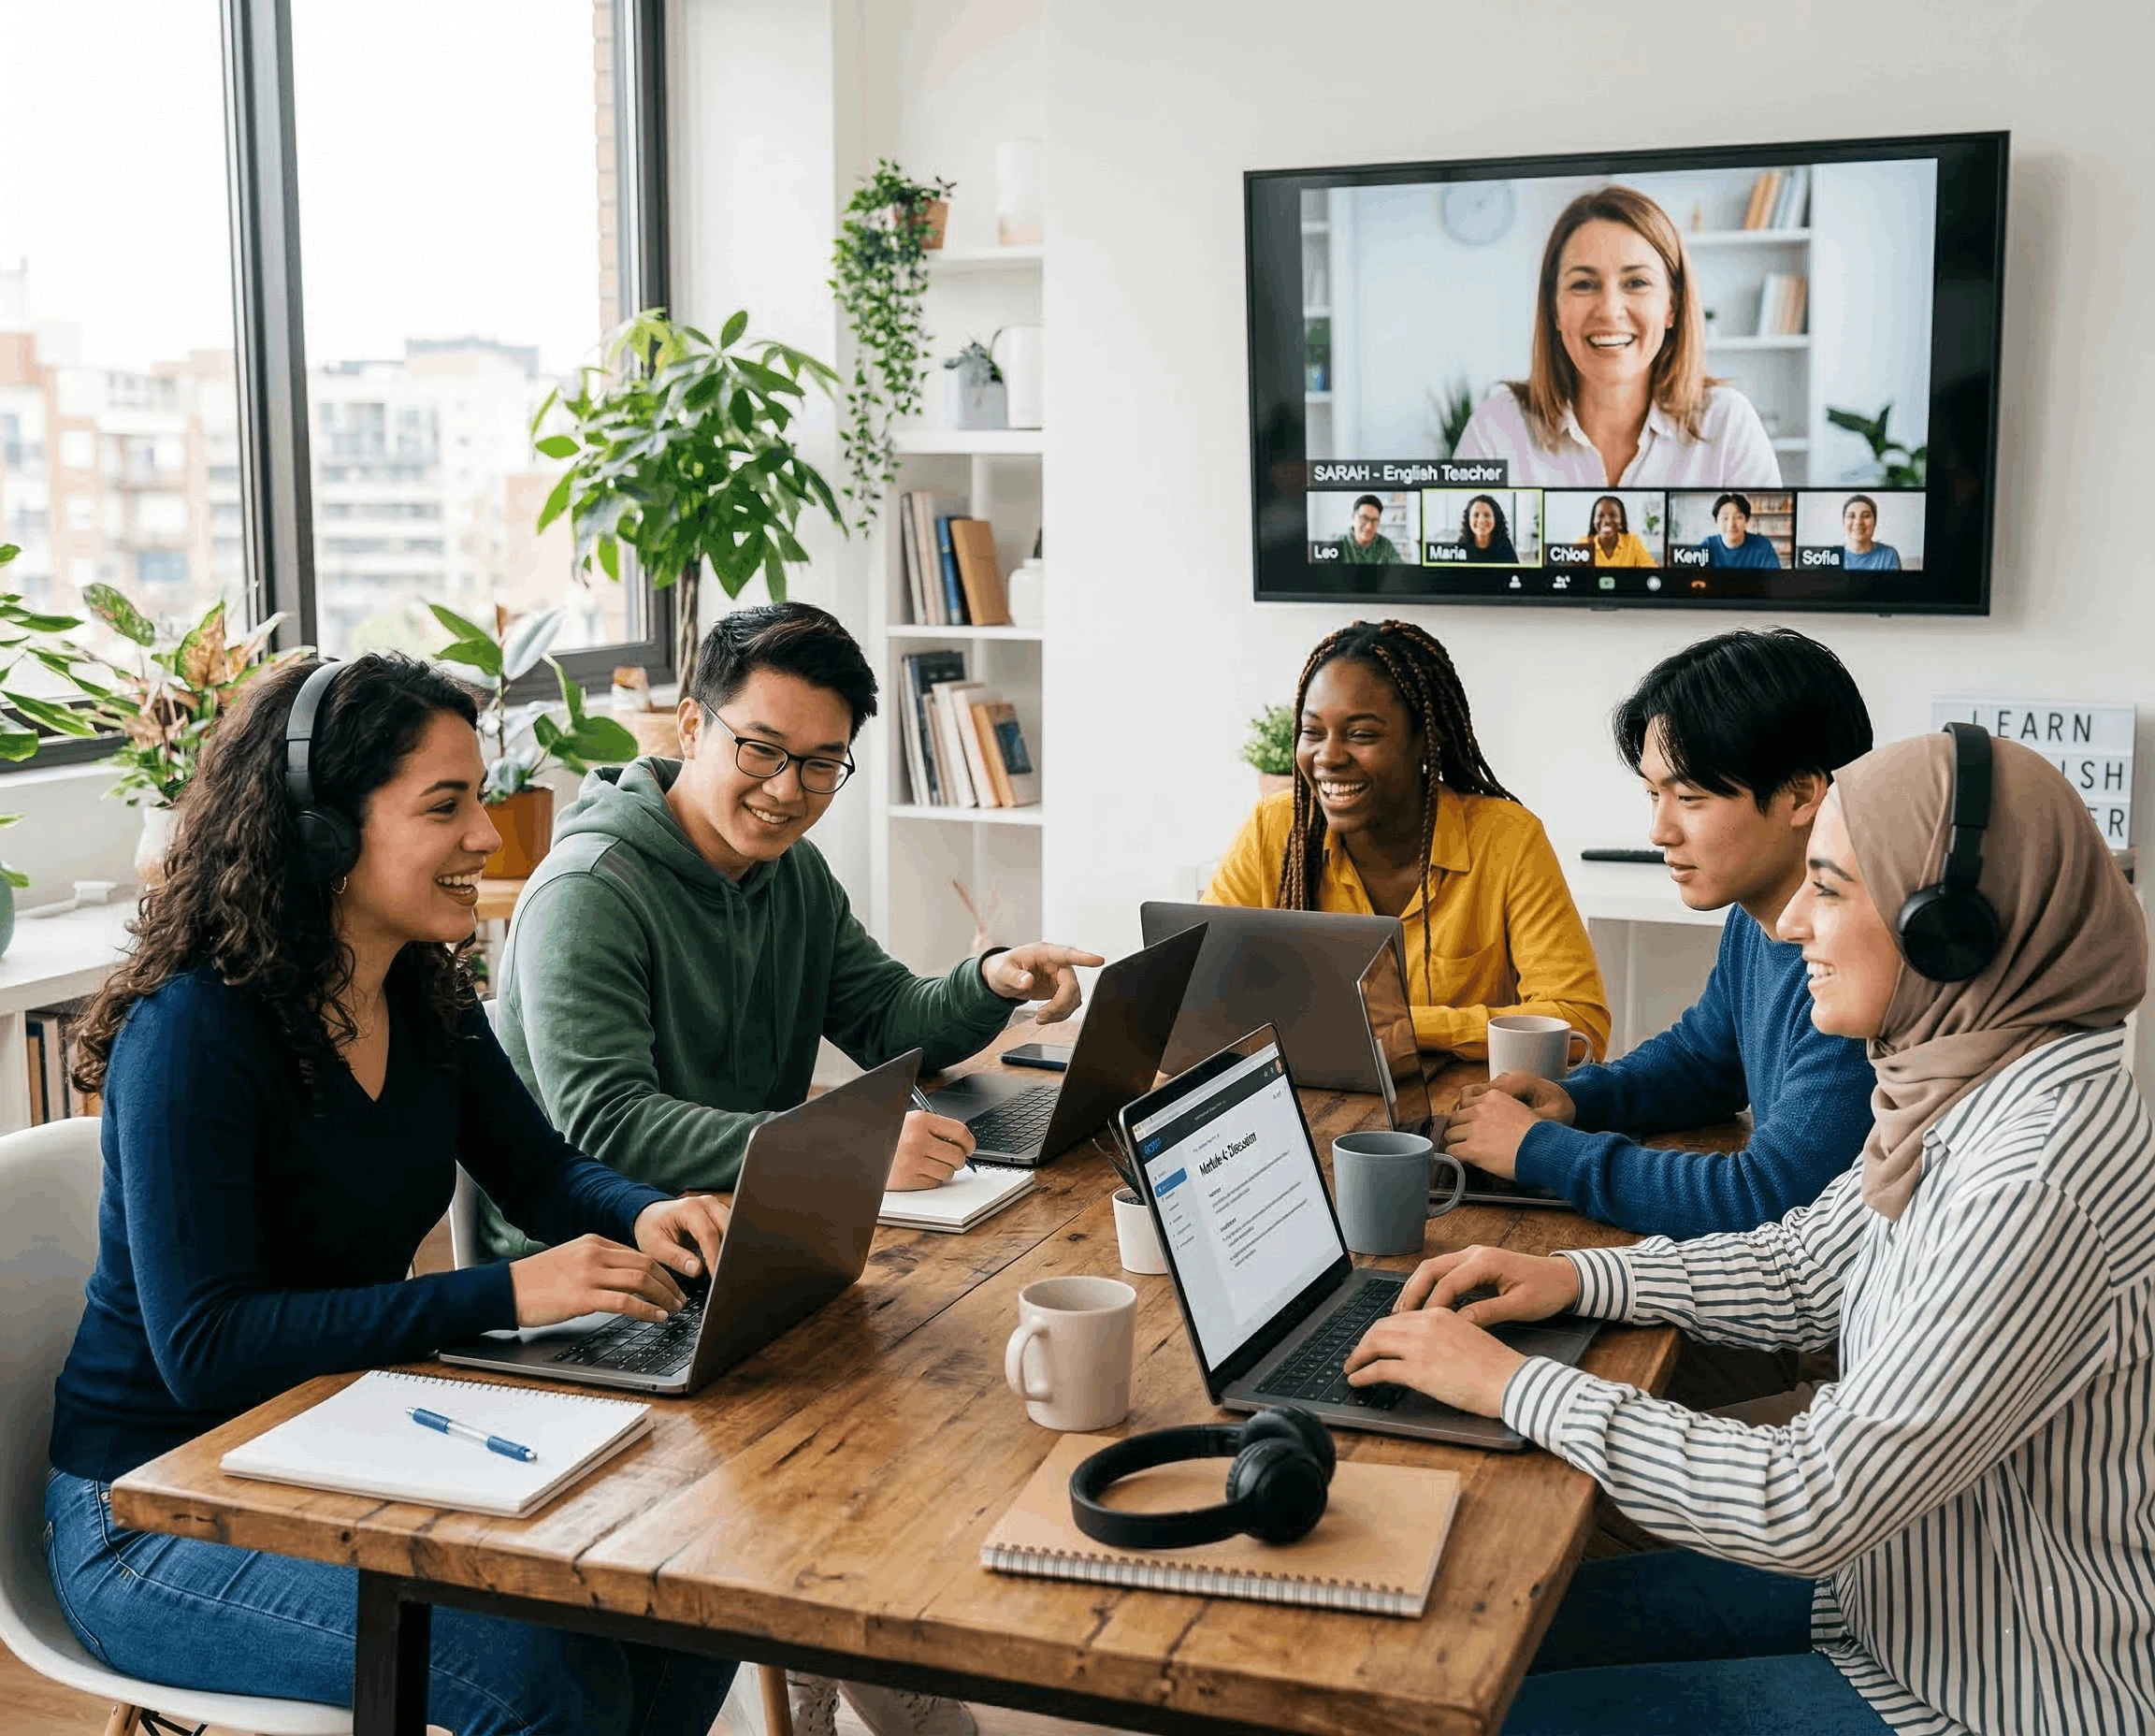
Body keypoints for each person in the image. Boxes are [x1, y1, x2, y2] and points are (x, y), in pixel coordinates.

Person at [1346, 731, 2154, 1734]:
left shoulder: (2034, 1171)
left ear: (1954, 930)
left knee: (1460, 1709)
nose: (1797, 924)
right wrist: (1573, 1278)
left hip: (1972, 1697)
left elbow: (1812, 1495)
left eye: (1834, 887)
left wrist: (1510, 1381)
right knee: (1450, 1651)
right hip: (1891, 1605)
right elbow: (1808, 1261)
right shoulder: (1967, 1074)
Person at [44, 656, 739, 1735]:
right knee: (544, 1679)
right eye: (445, 805)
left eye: (482, 795)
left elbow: (543, 1169)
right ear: (325, 831)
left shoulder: (422, 992)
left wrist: (640, 1211)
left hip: (338, 1443)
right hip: (152, 1509)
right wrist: (499, 1292)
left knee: (681, 1594)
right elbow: (208, 1342)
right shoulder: (194, 1033)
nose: (484, 836)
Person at [489, 603, 1099, 1736]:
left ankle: (831, 1655)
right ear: (690, 724)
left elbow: (884, 1017)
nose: (786, 787)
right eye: (760, 750)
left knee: (948, 1370)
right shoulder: (590, 890)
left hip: (745, 1248)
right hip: (594, 1283)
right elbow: (601, 1118)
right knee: (905, 1397)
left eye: (822, 763)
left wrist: (993, 974)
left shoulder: (794, 876)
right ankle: (830, 1649)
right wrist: (849, 1149)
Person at [1444, 629, 1877, 1237]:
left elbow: (1773, 1197)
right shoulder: (1756, 918)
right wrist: (1577, 1100)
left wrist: (1541, 1150)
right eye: (1654, 795)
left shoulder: (1862, 962)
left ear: (1802, 794)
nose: (1659, 831)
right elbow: (1704, 1062)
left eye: (1690, 798)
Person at [1206, 619, 1609, 1061]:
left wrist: (1413, 1027)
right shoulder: (1275, 828)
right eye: (1313, 732)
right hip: (1309, 1100)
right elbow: (1198, 989)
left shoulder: (1507, 839)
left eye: (1361, 735)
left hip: (1462, 1109)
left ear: (1424, 741)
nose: (1328, 757)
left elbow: (1579, 1025)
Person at [1454, 186, 1779, 489]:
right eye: (1583, 284)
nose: (1609, 311)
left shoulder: (1727, 424)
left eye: (1637, 282)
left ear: (1672, 306)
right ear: (1554, 308)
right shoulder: (1496, 428)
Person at [1699, 491, 1783, 568]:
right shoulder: (1708, 545)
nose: (1731, 524)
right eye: (1725, 518)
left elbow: (1774, 580)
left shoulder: (1762, 545)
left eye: (1738, 517)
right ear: (1716, 521)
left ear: (1747, 520)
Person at [1578, 494, 1654, 568]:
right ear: (1593, 521)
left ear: (1621, 521)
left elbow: (1652, 571)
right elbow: (1571, 575)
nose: (1607, 521)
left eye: (1613, 515)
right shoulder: (1584, 543)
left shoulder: (1632, 541)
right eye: (1600, 515)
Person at [1335, 493, 1404, 564]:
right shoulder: (1338, 544)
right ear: (1353, 517)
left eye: (1374, 520)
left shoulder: (1385, 545)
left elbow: (1401, 570)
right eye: (1364, 518)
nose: (1369, 527)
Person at [1839, 493, 1902, 570]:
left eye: (1866, 516)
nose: (1858, 522)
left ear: (1875, 521)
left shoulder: (1888, 555)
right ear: (1843, 522)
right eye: (1851, 516)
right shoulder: (1831, 557)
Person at [1456, 493, 1516, 562]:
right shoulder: (1459, 549)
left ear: (1496, 519)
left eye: (1487, 515)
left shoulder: (1505, 547)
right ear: (1468, 519)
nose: (1481, 520)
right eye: (1476, 515)